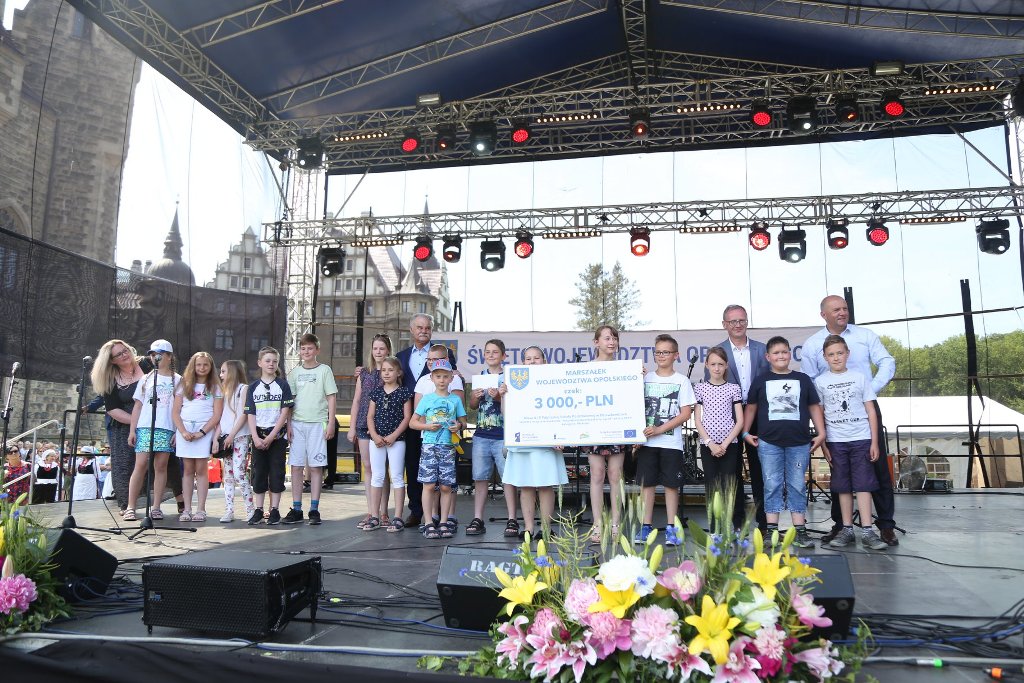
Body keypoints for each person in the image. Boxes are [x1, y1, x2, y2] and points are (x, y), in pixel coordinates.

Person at [800, 294, 899, 546]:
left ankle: (885, 525)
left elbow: (887, 361)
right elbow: (809, 380)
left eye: (844, 308)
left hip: (865, 408)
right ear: (823, 315)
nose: (842, 312)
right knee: (839, 472)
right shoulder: (812, 344)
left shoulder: (865, 335)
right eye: (836, 309)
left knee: (877, 468)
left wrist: (869, 389)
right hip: (831, 414)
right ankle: (841, 526)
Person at [742, 336, 826, 549]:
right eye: (776, 353)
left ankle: (800, 531)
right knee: (771, 485)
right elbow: (751, 408)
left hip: (799, 442)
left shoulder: (803, 379)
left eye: (784, 352)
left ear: (790, 354)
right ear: (768, 357)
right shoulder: (761, 380)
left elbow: (814, 406)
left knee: (797, 485)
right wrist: (745, 432)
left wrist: (821, 432)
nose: (781, 356)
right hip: (769, 443)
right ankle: (771, 531)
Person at [814, 335, 888, 551]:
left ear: (848, 354)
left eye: (840, 353)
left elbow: (871, 411)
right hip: (836, 441)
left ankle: (868, 530)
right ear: (825, 357)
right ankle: (847, 529)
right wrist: (824, 444)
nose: (836, 358)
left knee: (864, 484)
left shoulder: (860, 378)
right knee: (842, 486)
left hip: (861, 438)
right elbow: (819, 415)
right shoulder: (820, 382)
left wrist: (874, 442)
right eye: (831, 354)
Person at [711, 305, 771, 533]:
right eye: (732, 321)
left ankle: (765, 522)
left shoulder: (762, 349)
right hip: (729, 418)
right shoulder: (719, 352)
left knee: (760, 468)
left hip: (759, 416)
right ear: (724, 324)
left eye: (741, 320)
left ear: (747, 321)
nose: (737, 325)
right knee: (731, 471)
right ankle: (736, 523)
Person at [501, 346, 568, 540]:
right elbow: (506, 413)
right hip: (522, 441)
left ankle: (546, 529)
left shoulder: (554, 382)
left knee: (545, 485)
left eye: (536, 358)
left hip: (546, 442)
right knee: (526, 485)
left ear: (544, 361)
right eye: (528, 359)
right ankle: (528, 528)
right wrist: (504, 395)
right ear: (523, 363)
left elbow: (562, 410)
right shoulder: (513, 382)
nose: (532, 362)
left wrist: (560, 436)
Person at [634, 334, 696, 546]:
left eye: (666, 352)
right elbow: (633, 407)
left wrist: (659, 429)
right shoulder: (645, 378)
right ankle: (645, 526)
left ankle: (671, 527)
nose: (661, 356)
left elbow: (685, 413)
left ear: (676, 355)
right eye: (658, 352)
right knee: (647, 485)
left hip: (671, 443)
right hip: (647, 443)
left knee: (671, 486)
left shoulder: (682, 381)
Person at [395, 314, 456, 527]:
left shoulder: (444, 353)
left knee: (442, 473)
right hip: (413, 421)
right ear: (411, 330)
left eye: (427, 328)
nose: (424, 331)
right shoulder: (401, 356)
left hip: (440, 427)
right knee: (413, 466)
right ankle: (416, 511)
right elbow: (388, 376)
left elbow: (453, 380)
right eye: (419, 327)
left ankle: (439, 515)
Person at [410, 358, 466, 540]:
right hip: (429, 446)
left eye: (445, 376)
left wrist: (458, 426)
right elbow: (412, 422)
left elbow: (463, 422)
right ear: (432, 378)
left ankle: (443, 522)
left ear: (451, 378)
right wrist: (427, 426)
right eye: (438, 376)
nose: (442, 380)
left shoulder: (455, 400)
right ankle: (428, 522)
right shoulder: (427, 399)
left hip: (448, 447)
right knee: (428, 485)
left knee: (446, 486)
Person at [284, 333, 337, 526]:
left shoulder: (325, 370)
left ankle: (314, 508)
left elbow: (331, 397)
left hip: (317, 423)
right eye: (303, 348)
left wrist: (330, 422)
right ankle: (297, 508)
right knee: (296, 466)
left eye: (310, 348)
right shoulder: (294, 373)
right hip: (297, 424)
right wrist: (288, 424)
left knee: (315, 467)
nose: (306, 351)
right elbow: (289, 402)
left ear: (317, 350)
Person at [126, 340, 181, 522]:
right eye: (152, 354)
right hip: (145, 426)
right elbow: (138, 406)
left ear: (169, 356)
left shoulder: (178, 380)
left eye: (159, 354)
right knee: (140, 465)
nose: (154, 357)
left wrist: (177, 432)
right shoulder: (146, 378)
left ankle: (156, 507)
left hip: (166, 426)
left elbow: (180, 408)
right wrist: (132, 430)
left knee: (161, 466)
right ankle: (130, 506)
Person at [466, 338, 517, 538]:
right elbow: (472, 406)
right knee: (480, 478)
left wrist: (497, 396)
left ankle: (512, 518)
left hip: (503, 435)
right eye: (487, 352)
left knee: (508, 479)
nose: (491, 355)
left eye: (495, 352)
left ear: (503, 355)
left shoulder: (508, 377)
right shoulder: (480, 376)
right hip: (481, 435)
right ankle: (478, 518)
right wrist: (475, 396)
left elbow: (512, 403)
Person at [582, 325, 627, 543]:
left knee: (616, 475)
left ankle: (616, 523)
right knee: (597, 474)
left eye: (614, 338)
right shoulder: (587, 369)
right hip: (594, 428)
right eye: (607, 338)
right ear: (596, 342)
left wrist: (638, 377)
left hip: (617, 426)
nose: (612, 342)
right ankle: (598, 524)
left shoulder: (625, 369)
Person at [693, 346, 747, 530]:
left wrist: (724, 444)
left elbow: (740, 420)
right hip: (708, 445)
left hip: (729, 444)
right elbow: (697, 420)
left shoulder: (733, 388)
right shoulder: (700, 388)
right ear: (707, 365)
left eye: (721, 364)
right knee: (712, 485)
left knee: (730, 484)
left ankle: (735, 525)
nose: (717, 368)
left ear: (726, 366)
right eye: (713, 364)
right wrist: (710, 443)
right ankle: (715, 527)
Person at [91, 339, 147, 513]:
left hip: (154, 422)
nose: (124, 355)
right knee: (123, 464)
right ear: (112, 361)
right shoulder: (110, 379)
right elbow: (112, 409)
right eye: (119, 354)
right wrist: (136, 422)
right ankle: (126, 504)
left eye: (125, 350)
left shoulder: (146, 365)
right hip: (123, 425)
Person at [172, 351, 223, 523]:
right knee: (187, 470)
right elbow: (175, 412)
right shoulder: (183, 385)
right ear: (193, 366)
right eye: (198, 364)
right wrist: (183, 431)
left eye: (205, 365)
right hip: (185, 432)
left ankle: (201, 509)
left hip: (204, 432)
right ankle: (187, 509)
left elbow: (217, 415)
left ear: (211, 367)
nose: (202, 368)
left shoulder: (216, 387)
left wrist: (202, 432)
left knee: (201, 470)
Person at [245, 346, 293, 526]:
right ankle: (258, 510)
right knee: (258, 473)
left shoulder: (282, 385)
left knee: (276, 472)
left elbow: (284, 412)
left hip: (276, 436)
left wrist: (272, 436)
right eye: (267, 361)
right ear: (260, 363)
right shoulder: (253, 387)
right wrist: (255, 437)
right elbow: (250, 413)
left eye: (274, 361)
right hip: (258, 436)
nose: (271, 364)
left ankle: (274, 509)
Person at [366, 356, 414, 532]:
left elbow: (407, 417)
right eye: (384, 370)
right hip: (377, 440)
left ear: (398, 373)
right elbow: (370, 416)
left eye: (390, 370)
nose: (386, 373)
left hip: (397, 440)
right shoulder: (376, 392)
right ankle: (374, 515)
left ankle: (398, 517)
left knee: (397, 476)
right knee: (377, 476)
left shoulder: (404, 393)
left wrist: (394, 436)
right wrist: (374, 435)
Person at [349, 333, 392, 529]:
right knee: (368, 468)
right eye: (375, 348)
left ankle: (384, 512)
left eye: (382, 348)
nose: (378, 352)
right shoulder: (364, 373)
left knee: (382, 469)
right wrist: (352, 427)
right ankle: (371, 511)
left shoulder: (391, 372)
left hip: (383, 426)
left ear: (388, 350)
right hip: (362, 424)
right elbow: (357, 400)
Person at [217, 359, 254, 523]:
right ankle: (229, 510)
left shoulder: (243, 389)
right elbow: (221, 417)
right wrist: (216, 438)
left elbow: (243, 415)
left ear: (232, 372)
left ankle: (250, 509)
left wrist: (232, 435)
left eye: (223, 371)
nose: (221, 375)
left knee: (239, 473)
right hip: (226, 437)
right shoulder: (223, 391)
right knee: (228, 475)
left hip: (240, 436)